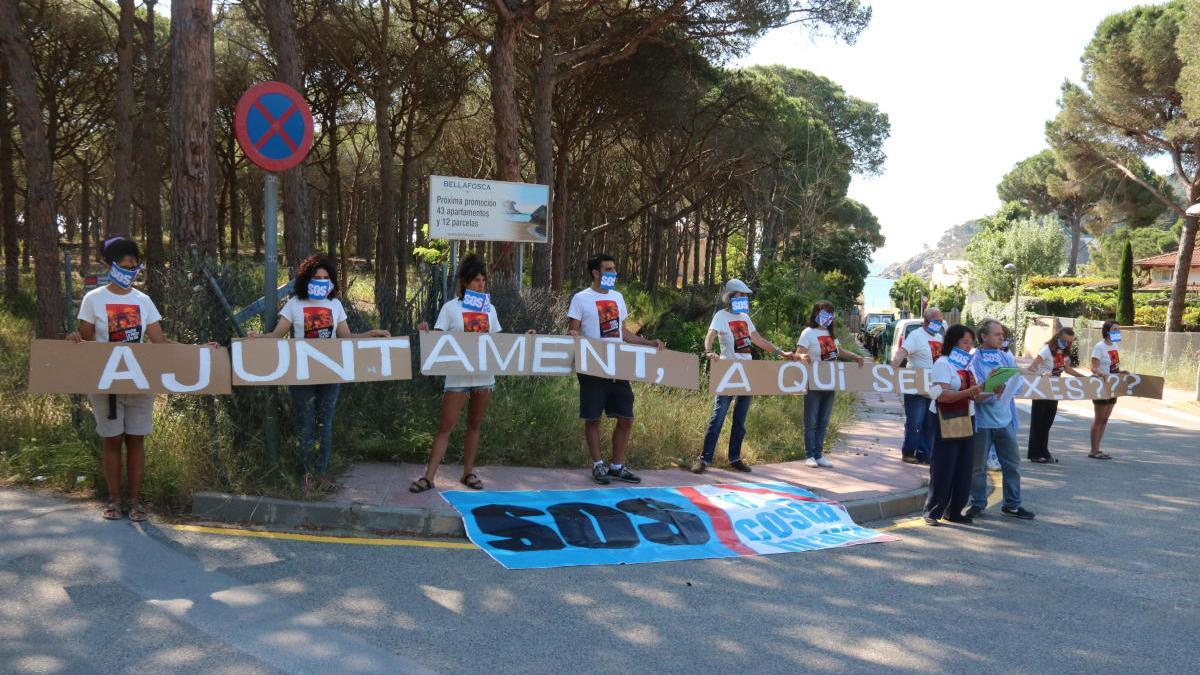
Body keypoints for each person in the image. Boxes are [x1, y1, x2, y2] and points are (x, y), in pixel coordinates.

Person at [69, 237, 214, 522]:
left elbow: (159, 342)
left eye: (135, 266)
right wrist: (73, 338)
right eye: (124, 266)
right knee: (112, 441)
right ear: (109, 266)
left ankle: (135, 502)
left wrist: (196, 351)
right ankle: (114, 500)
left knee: (136, 440)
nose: (131, 271)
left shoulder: (143, 301)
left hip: (139, 382)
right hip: (105, 384)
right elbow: (84, 341)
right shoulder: (93, 299)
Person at [249, 255, 389, 492]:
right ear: (307, 279)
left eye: (326, 278)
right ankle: (306, 474)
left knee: (325, 423)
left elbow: (346, 337)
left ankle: (321, 472)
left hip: (330, 373)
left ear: (331, 281)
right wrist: (256, 338)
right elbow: (277, 335)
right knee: (305, 424)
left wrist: (372, 333)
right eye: (317, 278)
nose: (321, 282)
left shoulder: (335, 305)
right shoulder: (295, 304)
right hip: (302, 374)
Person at [411, 256, 523, 492]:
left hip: (484, 377)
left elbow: (497, 342)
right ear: (464, 282)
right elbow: (438, 339)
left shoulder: (490, 309)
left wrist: (527, 339)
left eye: (483, 280)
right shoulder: (451, 308)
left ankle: (468, 473)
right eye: (475, 280)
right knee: (445, 427)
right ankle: (428, 477)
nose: (481, 284)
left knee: (474, 426)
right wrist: (426, 331)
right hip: (457, 377)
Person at [566, 254, 664, 484]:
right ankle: (598, 465)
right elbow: (573, 329)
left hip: (618, 366)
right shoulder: (581, 298)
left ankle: (616, 466)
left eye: (614, 269)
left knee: (626, 417)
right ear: (596, 273)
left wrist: (650, 343)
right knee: (593, 418)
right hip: (592, 366)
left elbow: (624, 333)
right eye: (608, 269)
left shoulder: (618, 297)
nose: (613, 273)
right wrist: (573, 335)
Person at [691, 279, 794, 474]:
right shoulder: (721, 316)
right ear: (731, 297)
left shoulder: (746, 318)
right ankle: (704, 459)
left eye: (746, 296)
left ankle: (735, 458)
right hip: (727, 371)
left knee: (741, 418)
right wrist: (708, 351)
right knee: (718, 416)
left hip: (747, 373)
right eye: (741, 295)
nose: (744, 298)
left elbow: (759, 340)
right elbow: (710, 335)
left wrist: (781, 353)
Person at [964, 319, 1035, 520]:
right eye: (997, 334)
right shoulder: (973, 360)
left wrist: (1004, 387)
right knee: (977, 468)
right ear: (984, 336)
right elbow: (974, 394)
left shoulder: (1006, 358)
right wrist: (991, 390)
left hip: (1005, 421)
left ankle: (1012, 505)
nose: (1001, 338)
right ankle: (977, 503)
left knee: (1012, 465)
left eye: (1002, 335)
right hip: (982, 423)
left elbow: (1017, 384)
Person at [923, 324, 986, 526]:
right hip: (946, 417)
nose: (968, 347)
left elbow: (975, 395)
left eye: (970, 343)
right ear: (953, 342)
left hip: (967, 416)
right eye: (964, 342)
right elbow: (942, 396)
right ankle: (932, 511)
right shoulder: (943, 363)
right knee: (944, 465)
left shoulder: (966, 365)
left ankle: (955, 510)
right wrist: (971, 392)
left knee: (963, 466)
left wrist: (992, 390)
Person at [795, 300, 865, 468]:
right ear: (816, 314)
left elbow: (839, 351)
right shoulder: (808, 333)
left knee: (823, 420)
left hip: (830, 382)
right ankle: (809, 455)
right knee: (810, 420)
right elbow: (798, 353)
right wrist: (802, 357)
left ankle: (819, 454)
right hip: (813, 382)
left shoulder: (830, 334)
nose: (828, 317)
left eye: (830, 314)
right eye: (825, 313)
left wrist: (854, 356)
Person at [891, 307, 944, 464]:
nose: (939, 324)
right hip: (915, 386)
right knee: (915, 421)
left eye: (940, 322)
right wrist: (893, 367)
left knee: (930, 422)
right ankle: (908, 452)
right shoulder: (916, 336)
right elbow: (902, 352)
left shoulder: (940, 338)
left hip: (933, 387)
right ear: (925, 322)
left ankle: (925, 453)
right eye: (936, 321)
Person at [1025, 327, 1085, 463]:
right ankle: (1035, 453)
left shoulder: (1064, 352)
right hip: (1042, 388)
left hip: (1055, 389)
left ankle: (1044, 451)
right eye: (1064, 340)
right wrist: (1041, 374)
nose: (1066, 344)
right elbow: (1032, 368)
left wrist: (1084, 378)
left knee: (1048, 422)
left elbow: (1067, 369)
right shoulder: (1046, 349)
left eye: (1069, 342)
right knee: (1038, 421)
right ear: (1058, 337)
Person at [1088, 320, 1126, 460]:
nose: (1117, 331)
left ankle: (1098, 448)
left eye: (1118, 329)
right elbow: (1093, 367)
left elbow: (1113, 367)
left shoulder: (1115, 345)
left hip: (1113, 385)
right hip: (1101, 385)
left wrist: (1120, 372)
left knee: (1105, 419)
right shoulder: (1100, 347)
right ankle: (1093, 450)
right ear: (1107, 331)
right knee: (1099, 418)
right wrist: (1102, 374)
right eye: (1115, 329)